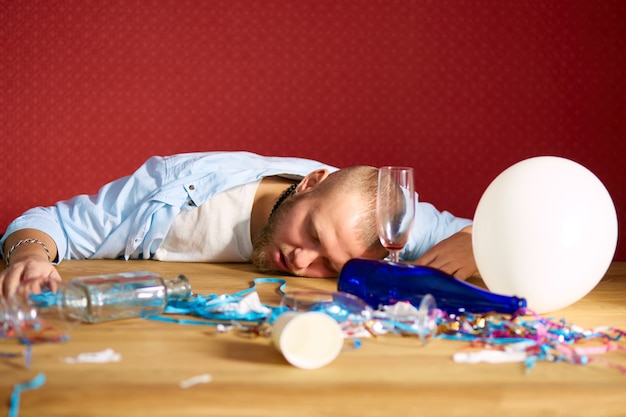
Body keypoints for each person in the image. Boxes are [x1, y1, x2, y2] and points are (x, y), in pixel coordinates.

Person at [0, 151, 476, 296]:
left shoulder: (381, 213)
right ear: (310, 183)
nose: (300, 260)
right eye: (310, 233)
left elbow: (471, 230)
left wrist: (476, 244)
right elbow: (50, 222)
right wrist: (29, 255)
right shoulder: (179, 183)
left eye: (328, 264)